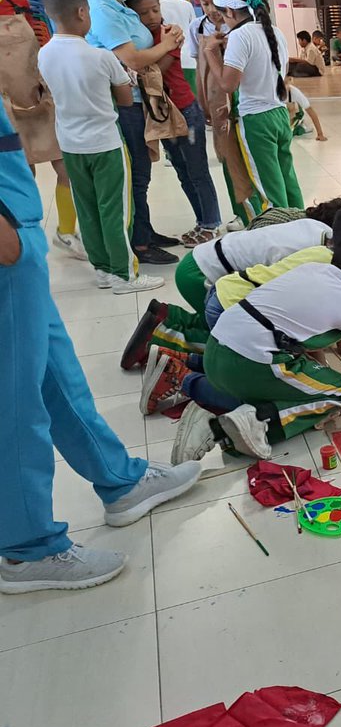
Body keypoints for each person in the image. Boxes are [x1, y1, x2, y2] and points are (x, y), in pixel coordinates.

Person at [0, 92, 203, 594]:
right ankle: (26, 548)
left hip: (18, 230)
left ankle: (120, 481)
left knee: (56, 375)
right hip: (5, 242)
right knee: (15, 400)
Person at [174, 235, 341, 462]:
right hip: (249, 363)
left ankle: (190, 382)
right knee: (340, 393)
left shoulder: (313, 268)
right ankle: (238, 427)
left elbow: (311, 337)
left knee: (308, 386)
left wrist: (322, 374)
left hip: (217, 347)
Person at [122, 200, 341, 368]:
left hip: (205, 263)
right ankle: (163, 336)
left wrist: (340, 342)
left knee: (231, 327)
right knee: (234, 343)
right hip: (202, 274)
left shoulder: (321, 234)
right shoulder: (311, 256)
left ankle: (166, 316)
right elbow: (272, 305)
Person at [36, 0, 162, 295]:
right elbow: (123, 99)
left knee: (87, 208)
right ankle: (124, 275)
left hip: (70, 144)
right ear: (81, 12)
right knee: (115, 209)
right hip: (105, 144)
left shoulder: (44, 55)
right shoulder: (100, 57)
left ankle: (103, 270)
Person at [85, 0, 183, 265]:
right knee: (135, 174)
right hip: (122, 104)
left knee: (142, 172)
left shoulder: (119, 5)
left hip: (137, 100)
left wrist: (164, 34)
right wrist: (167, 44)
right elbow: (132, 58)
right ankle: (139, 243)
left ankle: (144, 231)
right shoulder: (100, 9)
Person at [127, 0, 223, 247]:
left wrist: (134, 62)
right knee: (182, 171)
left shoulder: (169, 34)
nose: (151, 17)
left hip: (185, 111)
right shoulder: (141, 40)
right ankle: (202, 220)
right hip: (164, 115)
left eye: (155, 10)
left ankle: (212, 223)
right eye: (143, 13)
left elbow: (154, 70)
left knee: (198, 171)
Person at [0, 0, 84, 259]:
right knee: (24, 175)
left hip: (38, 98)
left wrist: (43, 83)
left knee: (65, 168)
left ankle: (66, 231)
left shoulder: (19, 1)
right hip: (6, 107)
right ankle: (24, 232)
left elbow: (39, 38)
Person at [205, 0, 303, 214]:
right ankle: (302, 224)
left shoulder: (241, 36)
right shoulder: (275, 32)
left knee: (268, 187)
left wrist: (210, 52)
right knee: (288, 178)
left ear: (229, 11)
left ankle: (280, 235)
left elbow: (228, 84)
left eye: (222, 14)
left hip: (256, 121)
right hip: (279, 115)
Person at [150, 0, 197, 93]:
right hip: (188, 60)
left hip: (165, 64)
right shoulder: (186, 5)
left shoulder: (152, 7)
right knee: (191, 101)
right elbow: (194, 34)